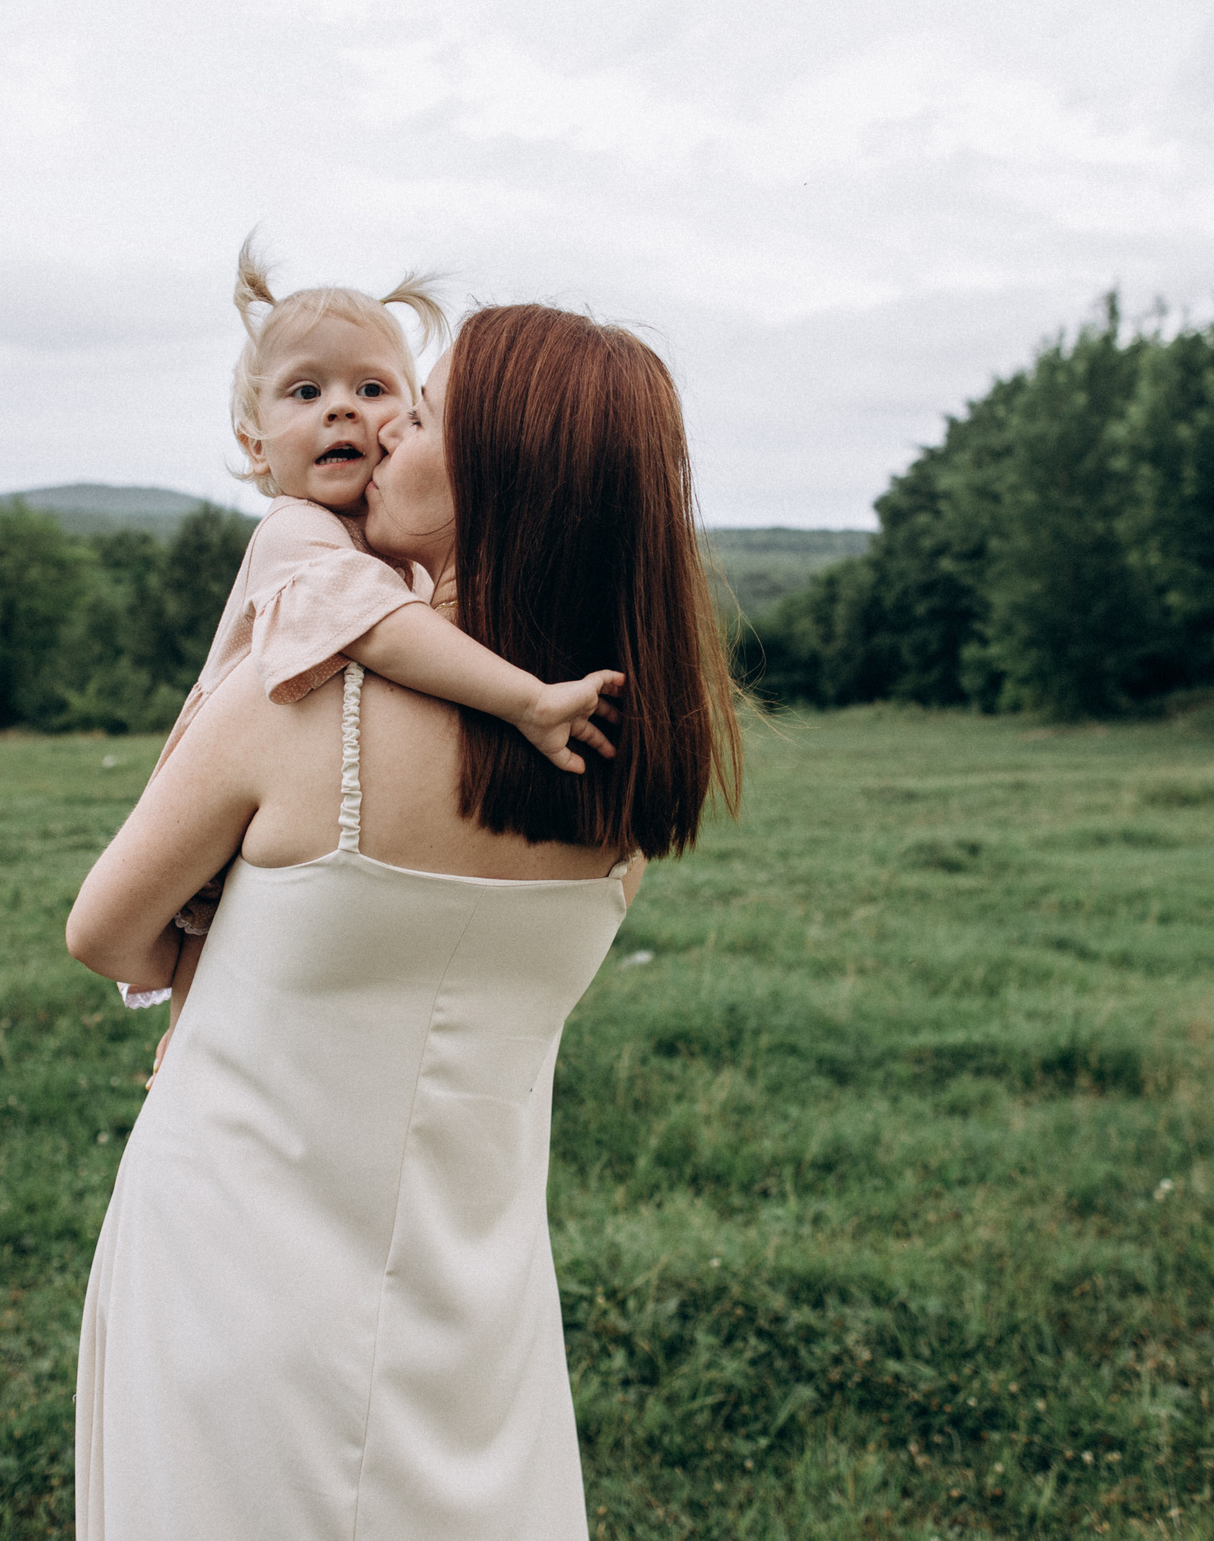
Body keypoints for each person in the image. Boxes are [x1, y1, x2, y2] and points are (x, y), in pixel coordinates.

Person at [64, 303, 743, 1539]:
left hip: (228, 1267)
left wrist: (215, 970)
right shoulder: (622, 784)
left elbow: (105, 933)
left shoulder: (293, 699)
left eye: (415, 414)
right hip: (471, 1297)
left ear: (500, 482)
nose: (378, 439)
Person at [123, 242, 623, 1027]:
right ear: (257, 445)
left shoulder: (378, 553)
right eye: (305, 391)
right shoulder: (300, 534)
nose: (344, 410)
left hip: (260, 840)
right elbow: (386, 635)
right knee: (211, 993)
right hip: (208, 822)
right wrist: (525, 698)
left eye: (380, 391)